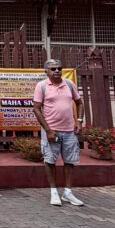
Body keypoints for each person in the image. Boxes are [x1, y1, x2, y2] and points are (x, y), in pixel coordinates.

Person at [32, 58, 85, 207]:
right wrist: (48, 130)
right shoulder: (42, 86)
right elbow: (36, 109)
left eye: (59, 68)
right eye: (53, 69)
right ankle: (54, 192)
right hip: (52, 131)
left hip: (69, 131)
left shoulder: (69, 84)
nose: (57, 71)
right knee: (50, 161)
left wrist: (79, 121)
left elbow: (79, 103)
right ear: (46, 71)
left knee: (70, 161)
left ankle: (67, 192)